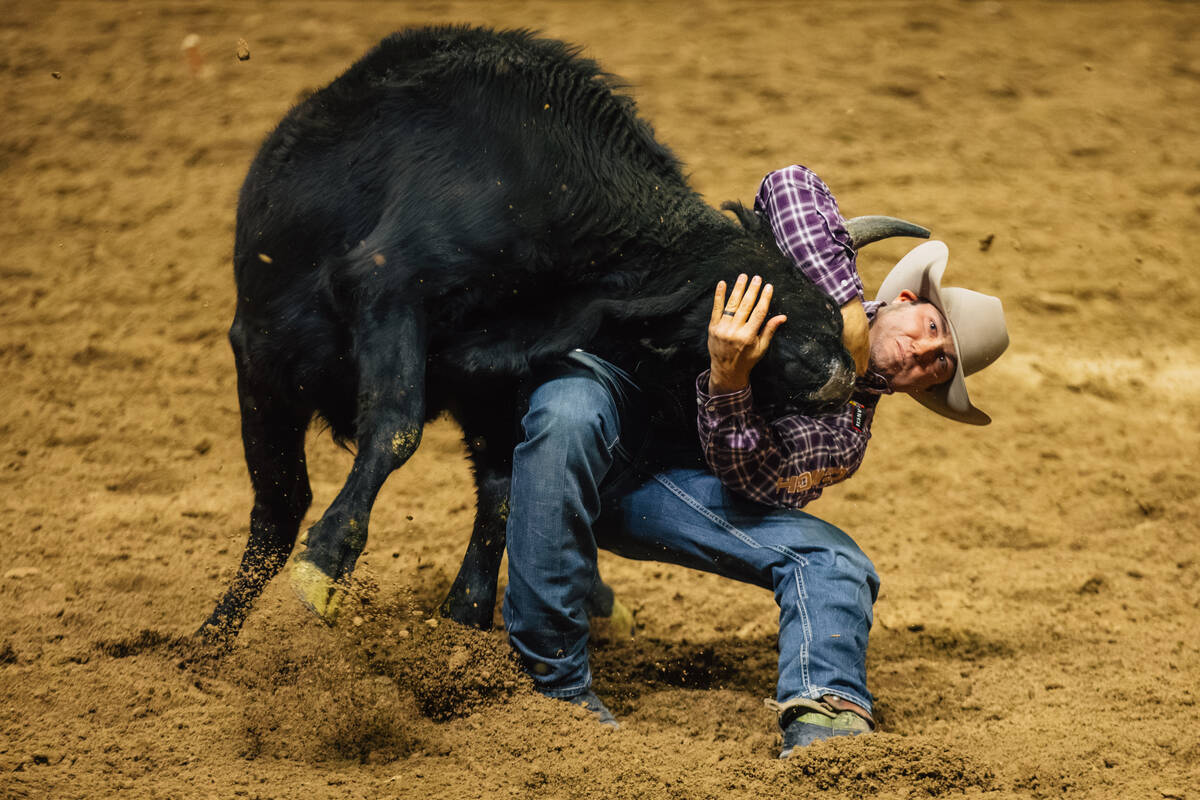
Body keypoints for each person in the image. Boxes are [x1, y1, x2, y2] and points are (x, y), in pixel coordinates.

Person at [500, 165, 1009, 757]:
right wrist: (845, 313)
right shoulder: (824, 282)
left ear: (924, 389)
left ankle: (829, 726)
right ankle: (555, 690)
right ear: (904, 299)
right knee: (566, 416)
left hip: (663, 488)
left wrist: (729, 380)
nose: (922, 350)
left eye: (938, 363)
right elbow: (790, 184)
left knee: (834, 561)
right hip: (608, 397)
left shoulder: (845, 432)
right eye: (929, 327)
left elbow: (753, 479)